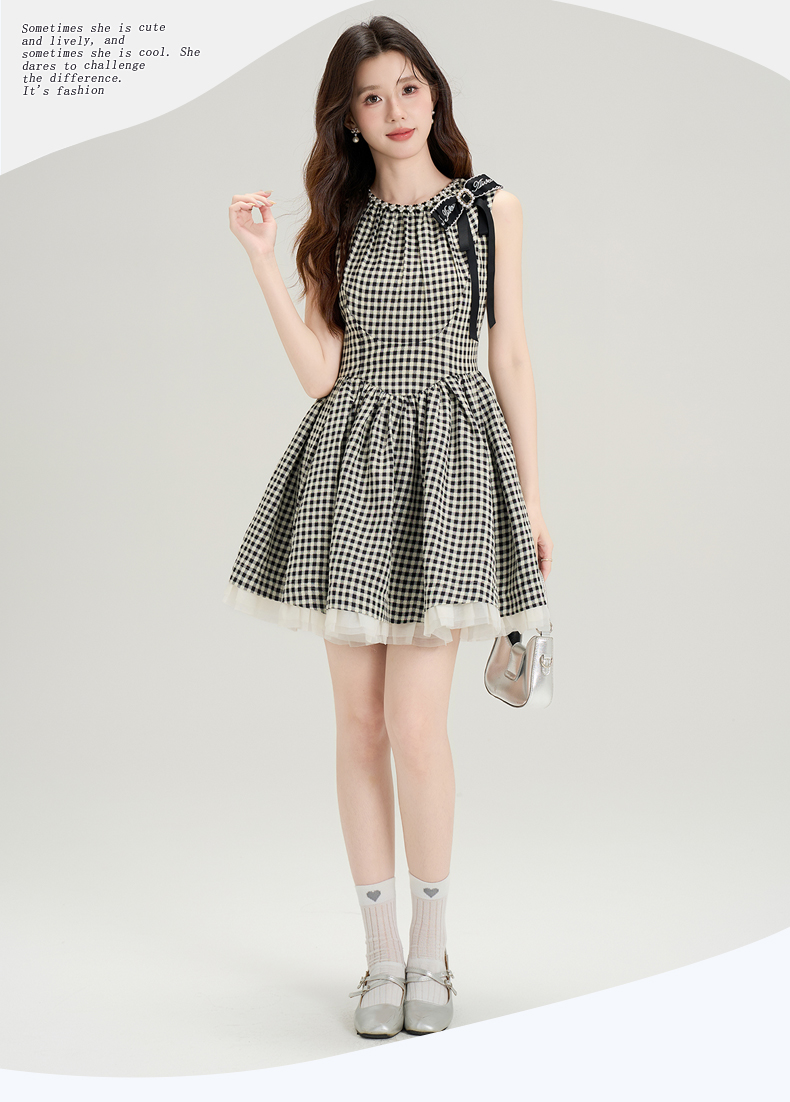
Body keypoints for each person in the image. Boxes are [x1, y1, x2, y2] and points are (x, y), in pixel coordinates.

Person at [224, 15, 553, 1039]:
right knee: (359, 727)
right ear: (350, 120)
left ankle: (430, 951)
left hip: (450, 470)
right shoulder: (340, 222)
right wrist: (262, 261)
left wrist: (531, 498)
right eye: (372, 97)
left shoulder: (488, 210)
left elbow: (509, 354)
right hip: (353, 475)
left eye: (409, 87)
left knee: (417, 726)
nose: (396, 110)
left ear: (433, 94)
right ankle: (377, 958)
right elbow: (322, 374)